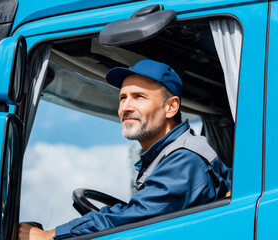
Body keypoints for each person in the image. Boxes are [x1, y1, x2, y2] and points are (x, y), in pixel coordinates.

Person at [19, 60, 232, 240]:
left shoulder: (185, 159)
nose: (125, 107)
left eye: (139, 97)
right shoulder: (167, 156)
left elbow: (137, 217)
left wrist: (47, 236)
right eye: (123, 98)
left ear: (171, 107)